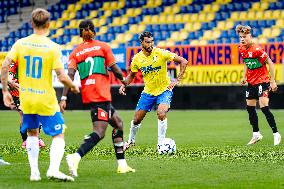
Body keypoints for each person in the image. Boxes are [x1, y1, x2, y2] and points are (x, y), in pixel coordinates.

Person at [1, 8, 79, 181]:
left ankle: (34, 173)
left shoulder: (20, 44)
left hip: (26, 98)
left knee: (32, 134)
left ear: (31, 23)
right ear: (49, 24)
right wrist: (73, 86)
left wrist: (5, 90)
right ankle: (53, 169)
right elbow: (61, 75)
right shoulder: (52, 47)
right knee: (59, 134)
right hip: (46, 99)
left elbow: (5, 65)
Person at [59, 19, 135, 177]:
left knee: (118, 123)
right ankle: (76, 156)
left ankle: (122, 165)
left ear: (80, 33)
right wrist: (125, 81)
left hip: (90, 94)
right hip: (101, 94)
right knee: (99, 132)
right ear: (94, 30)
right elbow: (115, 70)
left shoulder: (75, 53)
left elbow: (69, 76)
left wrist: (64, 97)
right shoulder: (103, 46)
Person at [119, 31, 188, 151]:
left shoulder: (161, 53)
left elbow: (183, 61)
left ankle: (160, 144)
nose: (150, 45)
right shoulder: (137, 59)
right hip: (148, 92)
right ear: (141, 43)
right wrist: (124, 84)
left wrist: (177, 80)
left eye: (152, 42)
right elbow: (132, 75)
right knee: (136, 120)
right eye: (147, 42)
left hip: (164, 90)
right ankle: (130, 142)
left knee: (161, 113)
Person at [236, 24, 281, 145]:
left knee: (263, 106)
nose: (242, 39)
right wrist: (244, 76)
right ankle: (256, 134)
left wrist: (272, 81)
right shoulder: (241, 48)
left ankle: (276, 133)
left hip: (263, 81)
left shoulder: (257, 50)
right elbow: (245, 62)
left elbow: (270, 63)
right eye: (240, 37)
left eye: (244, 37)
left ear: (250, 36)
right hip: (251, 82)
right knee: (249, 107)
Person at [8, 61, 46, 148]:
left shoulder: (34, 59)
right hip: (19, 92)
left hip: (33, 91)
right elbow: (9, 75)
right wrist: (11, 82)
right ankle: (25, 140)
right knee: (23, 114)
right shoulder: (15, 60)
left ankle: (35, 139)